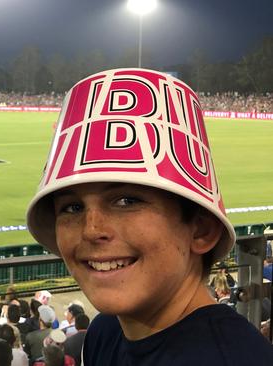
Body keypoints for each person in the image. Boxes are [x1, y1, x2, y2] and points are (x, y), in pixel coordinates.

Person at [26, 68, 273, 365]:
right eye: (72, 207)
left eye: (126, 201)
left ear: (201, 230)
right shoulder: (105, 330)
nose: (91, 229)